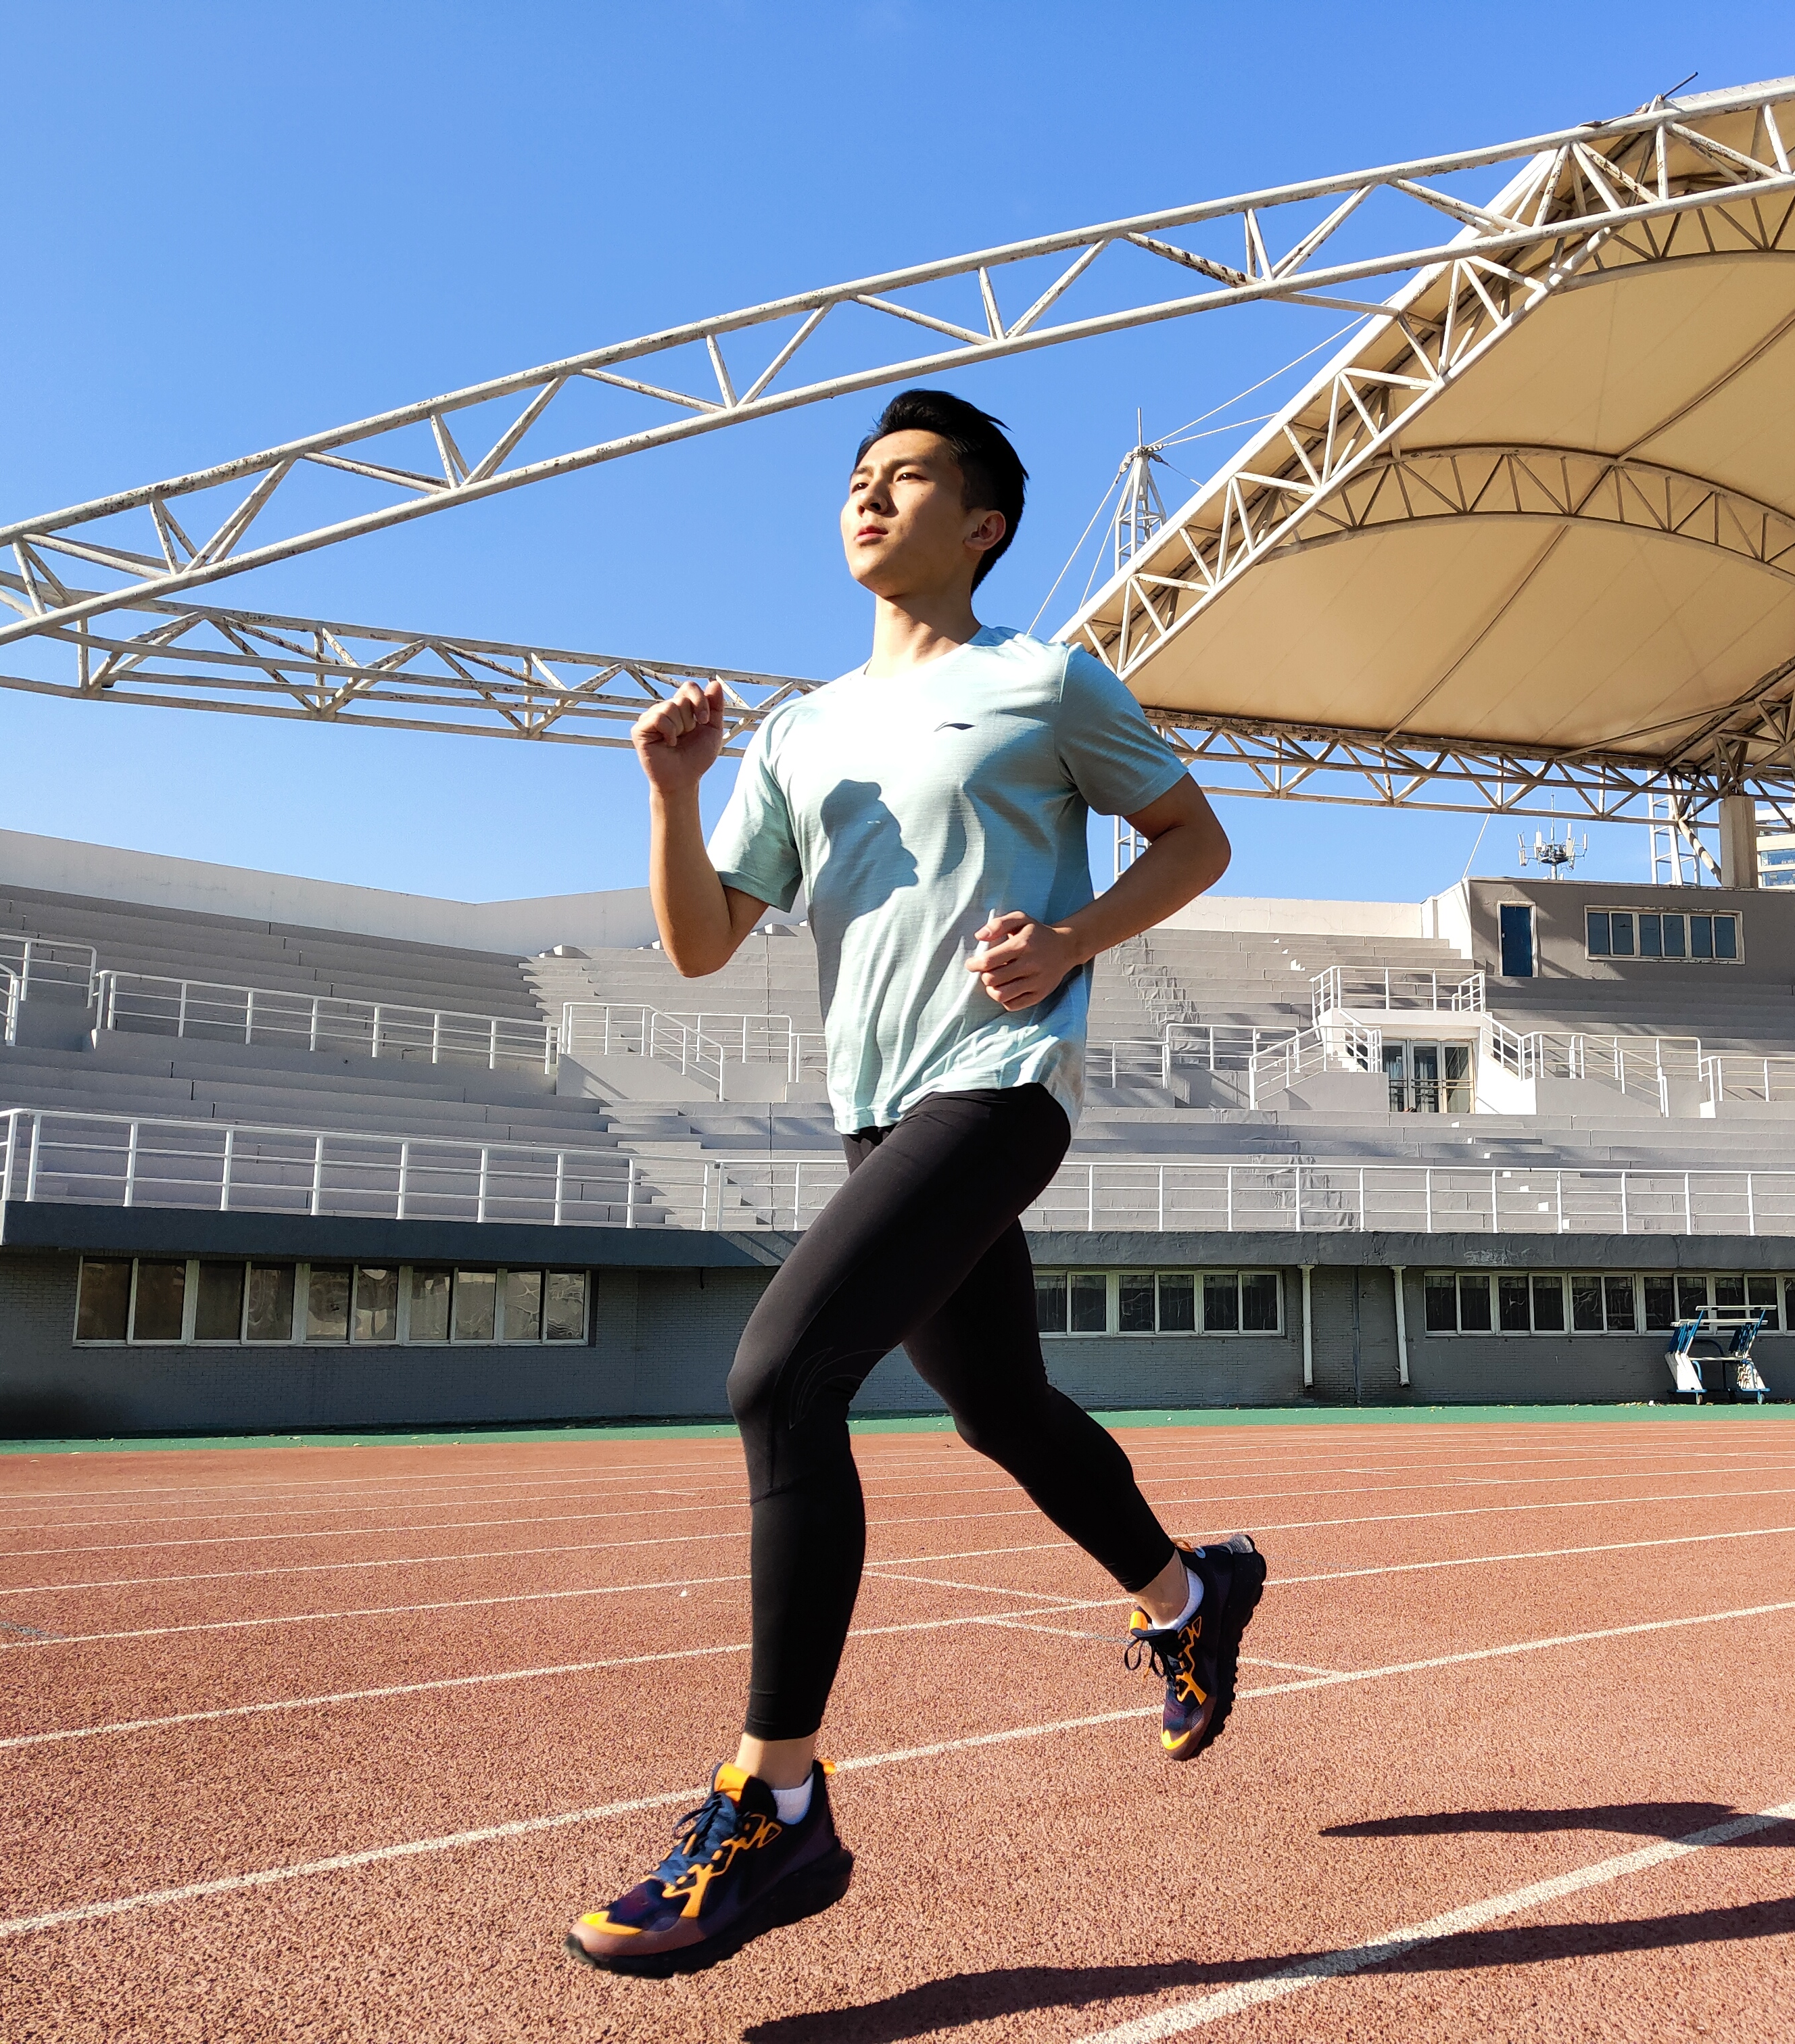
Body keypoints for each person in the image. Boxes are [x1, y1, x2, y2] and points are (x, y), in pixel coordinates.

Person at [567, 389, 1268, 1977]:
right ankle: (1189, 1598)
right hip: (878, 1112)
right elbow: (699, 941)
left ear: (986, 524)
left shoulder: (1044, 680)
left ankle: (777, 1803)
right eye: (857, 482)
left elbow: (1191, 837)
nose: (869, 499)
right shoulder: (802, 731)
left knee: (780, 1382)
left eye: (908, 479)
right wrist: (675, 794)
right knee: (1000, 1407)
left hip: (999, 1091)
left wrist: (1072, 938)